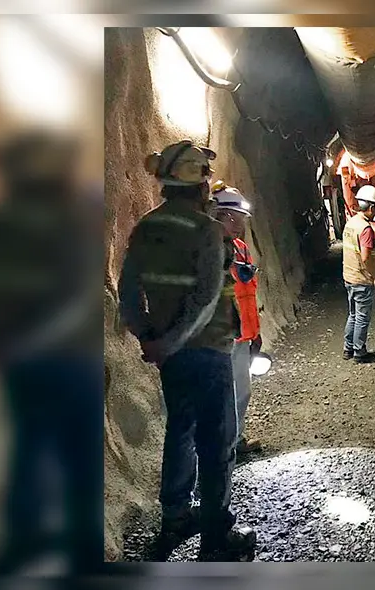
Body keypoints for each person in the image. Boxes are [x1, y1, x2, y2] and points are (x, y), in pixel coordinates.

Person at [0, 130, 104, 576]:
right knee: (78, 457)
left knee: (28, 449)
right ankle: (82, 550)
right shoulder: (70, 227)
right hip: (70, 360)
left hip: (19, 361)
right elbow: (77, 295)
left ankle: (25, 540)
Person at [118, 140, 255, 561]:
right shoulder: (206, 230)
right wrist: (170, 341)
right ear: (199, 184)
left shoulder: (145, 228)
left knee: (180, 431)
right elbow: (206, 298)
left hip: (171, 356)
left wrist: (148, 336)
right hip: (208, 350)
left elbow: (127, 290)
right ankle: (216, 537)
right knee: (216, 443)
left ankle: (175, 517)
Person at [208, 181, 263, 459]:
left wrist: (255, 332)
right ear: (217, 216)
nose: (239, 224)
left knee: (242, 391)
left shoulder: (240, 248)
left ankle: (235, 439)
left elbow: (248, 293)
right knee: (220, 396)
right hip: (219, 337)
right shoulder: (207, 250)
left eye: (241, 218)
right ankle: (218, 447)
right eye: (233, 218)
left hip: (242, 334)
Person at [342, 184, 375, 363]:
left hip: (349, 276)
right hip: (362, 280)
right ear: (372, 207)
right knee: (362, 318)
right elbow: (366, 257)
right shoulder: (365, 229)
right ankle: (360, 352)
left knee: (353, 314)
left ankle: (348, 349)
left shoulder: (351, 223)